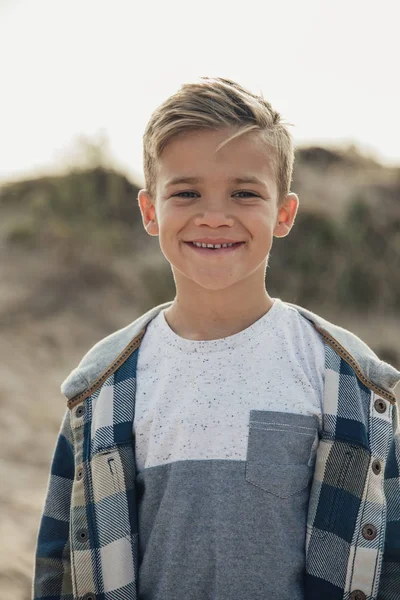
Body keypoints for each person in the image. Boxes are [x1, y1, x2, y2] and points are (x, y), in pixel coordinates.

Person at [32, 77, 400, 600]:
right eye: (186, 192)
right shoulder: (104, 386)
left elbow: (386, 556)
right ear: (150, 212)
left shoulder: (343, 375)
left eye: (244, 192)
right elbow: (60, 563)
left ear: (284, 213)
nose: (214, 215)